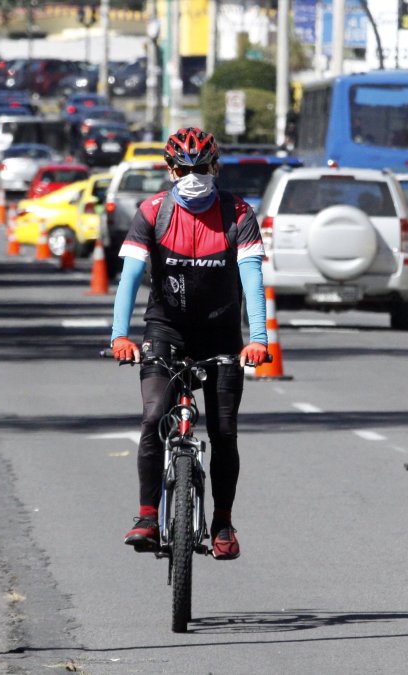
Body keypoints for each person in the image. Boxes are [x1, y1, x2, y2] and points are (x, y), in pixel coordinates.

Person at [110, 127, 268, 560]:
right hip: (167, 331)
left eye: (201, 168)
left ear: (215, 167)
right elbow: (130, 279)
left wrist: (258, 339)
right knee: (152, 418)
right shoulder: (153, 211)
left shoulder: (238, 214)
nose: (193, 176)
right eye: (184, 169)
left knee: (223, 431)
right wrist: (119, 336)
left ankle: (222, 522)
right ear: (170, 169)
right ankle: (146, 515)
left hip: (220, 335)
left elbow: (253, 279)